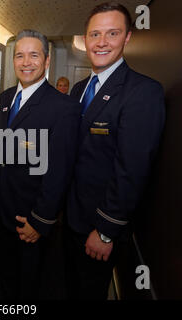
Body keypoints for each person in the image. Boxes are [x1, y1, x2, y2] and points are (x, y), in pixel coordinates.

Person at [64, 2, 165, 300]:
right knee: (70, 287)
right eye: (95, 34)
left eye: (112, 33)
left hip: (99, 225)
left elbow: (132, 168)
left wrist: (107, 230)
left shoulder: (143, 92)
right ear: (85, 40)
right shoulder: (78, 89)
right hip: (71, 217)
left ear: (128, 37)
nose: (102, 42)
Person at [0, 29, 81, 299]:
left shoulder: (63, 107)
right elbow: (6, 151)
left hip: (31, 216)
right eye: (19, 55)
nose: (25, 62)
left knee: (29, 282)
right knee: (6, 274)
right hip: (4, 207)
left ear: (47, 60)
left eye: (34, 55)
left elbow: (59, 171)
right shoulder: (7, 98)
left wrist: (40, 221)